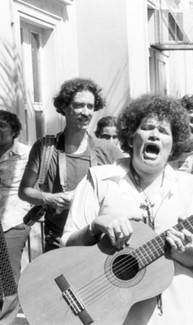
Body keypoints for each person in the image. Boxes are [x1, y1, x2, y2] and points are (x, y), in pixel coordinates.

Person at [60, 94, 193, 324]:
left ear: (173, 147)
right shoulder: (99, 179)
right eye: (147, 127)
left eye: (164, 131)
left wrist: (180, 250)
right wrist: (95, 226)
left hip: (180, 311)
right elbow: (67, 247)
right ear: (131, 139)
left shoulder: (187, 185)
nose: (154, 134)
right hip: (113, 310)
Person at [19, 78, 123, 252]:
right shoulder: (45, 148)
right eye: (79, 105)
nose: (86, 112)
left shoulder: (107, 149)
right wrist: (52, 199)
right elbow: (24, 191)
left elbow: (129, 189)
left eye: (90, 106)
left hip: (100, 245)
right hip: (58, 243)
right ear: (64, 107)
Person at [0, 110, 31, 324]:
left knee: (7, 278)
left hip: (11, 223)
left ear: (14, 130)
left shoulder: (27, 154)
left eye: (2, 125)